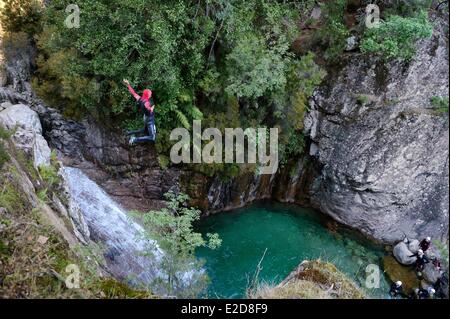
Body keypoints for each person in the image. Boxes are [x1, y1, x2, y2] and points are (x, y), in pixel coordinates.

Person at [123, 79, 157, 145]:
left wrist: (128, 85)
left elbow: (133, 93)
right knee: (152, 137)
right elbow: (149, 109)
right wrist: (152, 108)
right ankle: (134, 139)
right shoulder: (147, 103)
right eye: (150, 94)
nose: (151, 94)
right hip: (149, 120)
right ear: (148, 95)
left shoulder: (140, 99)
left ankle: (128, 133)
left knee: (143, 130)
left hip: (145, 117)